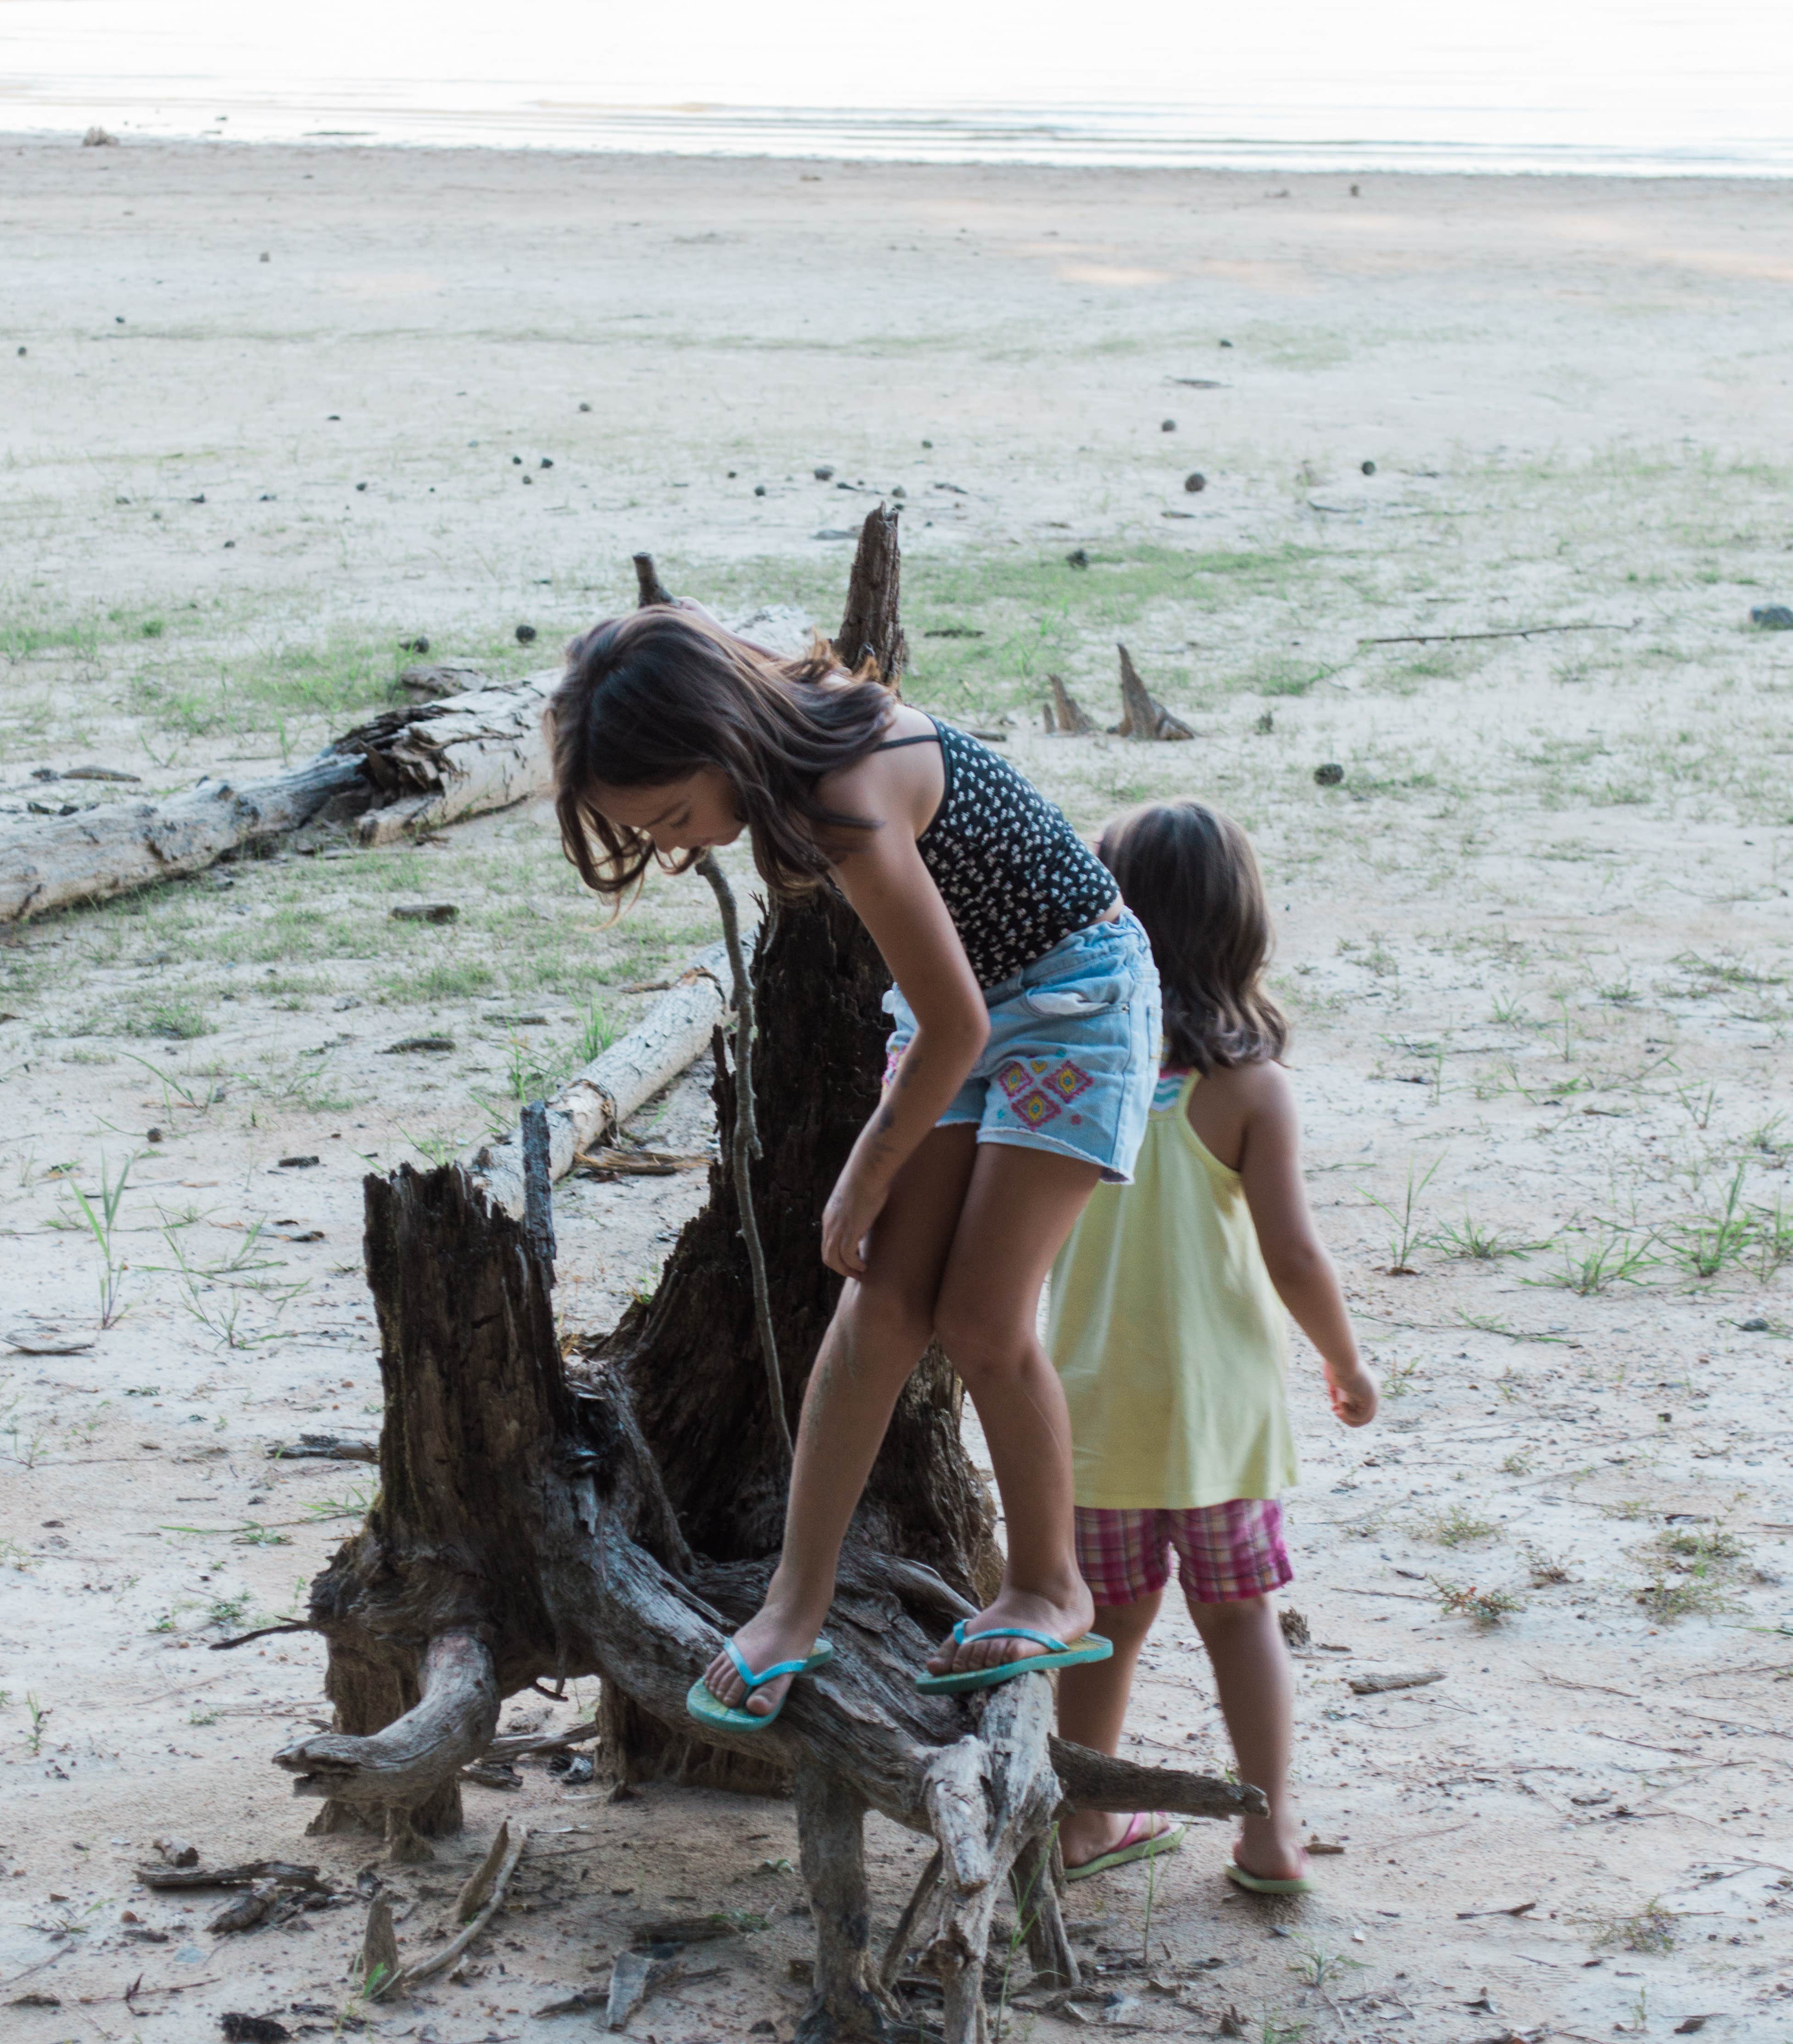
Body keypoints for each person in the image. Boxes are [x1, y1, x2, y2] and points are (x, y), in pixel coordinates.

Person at [548, 605, 1161, 1723]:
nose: (682, 846)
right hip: (963, 1009)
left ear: (724, 738)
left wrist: (864, 1171)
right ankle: (794, 1602)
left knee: (979, 1317)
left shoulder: (844, 792)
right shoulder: (794, 762)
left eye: (679, 815)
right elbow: (947, 1013)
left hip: (1073, 1000)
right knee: (878, 1303)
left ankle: (1047, 1583)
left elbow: (957, 1024)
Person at [1046, 802, 1377, 1895]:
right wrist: (1343, 1359)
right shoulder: (1249, 1090)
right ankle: (1269, 1833)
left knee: (1104, 1625)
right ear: (1240, 928)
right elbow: (1292, 1253)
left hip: (1088, 1412)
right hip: (1219, 1420)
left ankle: (1085, 1820)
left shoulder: (1071, 1068)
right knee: (1241, 1619)